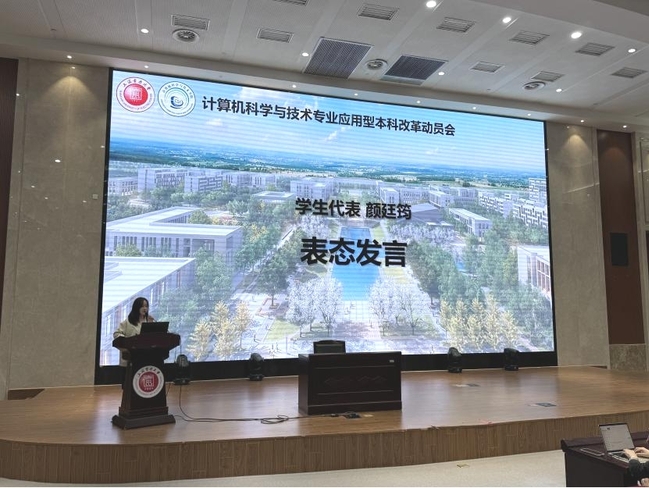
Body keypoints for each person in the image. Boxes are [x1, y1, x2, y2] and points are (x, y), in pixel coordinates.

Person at [113, 297, 155, 367]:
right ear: (136, 307)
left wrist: (151, 324)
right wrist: (127, 340)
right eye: (142, 306)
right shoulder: (128, 321)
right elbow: (116, 334)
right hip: (132, 354)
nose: (145, 308)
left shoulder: (149, 320)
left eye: (146, 306)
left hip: (146, 354)